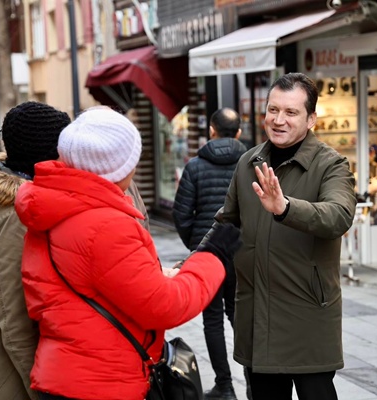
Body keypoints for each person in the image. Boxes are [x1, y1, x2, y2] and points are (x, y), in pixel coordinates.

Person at [14, 107, 242, 400]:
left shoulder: (54, 205)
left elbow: (94, 282)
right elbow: (166, 306)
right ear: (118, 167)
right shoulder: (104, 224)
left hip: (68, 373)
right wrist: (213, 256)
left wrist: (155, 275)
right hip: (103, 382)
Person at [202, 73, 356, 400]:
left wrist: (285, 207)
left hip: (307, 315)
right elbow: (226, 225)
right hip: (257, 315)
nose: (278, 120)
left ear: (311, 118)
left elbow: (339, 216)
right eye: (273, 110)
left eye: (290, 112)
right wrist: (190, 267)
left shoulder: (331, 164)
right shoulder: (249, 162)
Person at [0, 101, 72, 400]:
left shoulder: (25, 205)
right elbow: (15, 323)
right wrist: (45, 392)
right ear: (49, 152)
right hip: (14, 378)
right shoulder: (15, 217)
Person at [172, 107, 247, 400]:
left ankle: (225, 386)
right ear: (238, 133)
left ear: (211, 130)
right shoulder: (252, 162)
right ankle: (253, 384)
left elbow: (181, 213)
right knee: (241, 318)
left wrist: (197, 245)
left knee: (212, 320)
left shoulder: (194, 167)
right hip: (242, 252)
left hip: (209, 256)